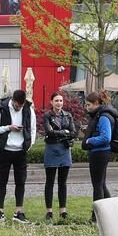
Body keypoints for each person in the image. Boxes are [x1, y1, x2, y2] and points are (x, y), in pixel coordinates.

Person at [0, 90, 35, 222]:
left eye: (20, 106)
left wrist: (28, 146)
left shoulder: (28, 110)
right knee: (1, 181)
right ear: (12, 100)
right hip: (5, 150)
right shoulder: (2, 109)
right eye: (17, 105)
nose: (18, 108)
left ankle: (18, 211)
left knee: (21, 182)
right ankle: (0, 211)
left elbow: (32, 130)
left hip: (21, 151)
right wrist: (8, 127)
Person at [82, 90, 118, 220]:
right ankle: (112, 212)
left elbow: (105, 137)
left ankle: (96, 217)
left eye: (88, 105)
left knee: (97, 185)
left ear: (96, 103)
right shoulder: (103, 115)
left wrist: (89, 140)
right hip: (101, 152)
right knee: (101, 184)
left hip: (100, 152)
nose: (87, 108)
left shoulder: (103, 116)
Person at [40, 93, 76, 223]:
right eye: (56, 100)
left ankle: (63, 210)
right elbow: (49, 132)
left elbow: (73, 132)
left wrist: (62, 134)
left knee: (63, 182)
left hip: (65, 150)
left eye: (61, 100)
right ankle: (49, 211)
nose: (59, 103)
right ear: (51, 102)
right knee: (50, 181)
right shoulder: (47, 116)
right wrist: (64, 133)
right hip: (51, 149)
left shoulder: (68, 115)